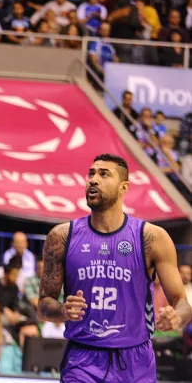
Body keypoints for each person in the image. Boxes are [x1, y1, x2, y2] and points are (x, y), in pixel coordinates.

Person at [38, 154, 192, 382]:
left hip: (136, 359)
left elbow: (182, 303)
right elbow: (43, 305)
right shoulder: (61, 237)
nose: (93, 179)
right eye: (91, 173)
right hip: (83, 359)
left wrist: (176, 317)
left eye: (104, 174)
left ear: (123, 187)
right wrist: (62, 310)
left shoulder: (152, 238)